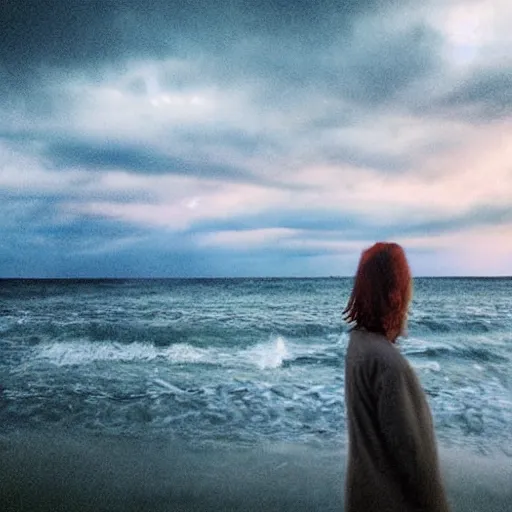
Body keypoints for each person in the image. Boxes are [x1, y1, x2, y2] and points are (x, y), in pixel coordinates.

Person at [343, 242, 450, 512]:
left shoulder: (359, 346)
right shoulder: (389, 365)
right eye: (407, 281)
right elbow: (417, 463)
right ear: (395, 294)